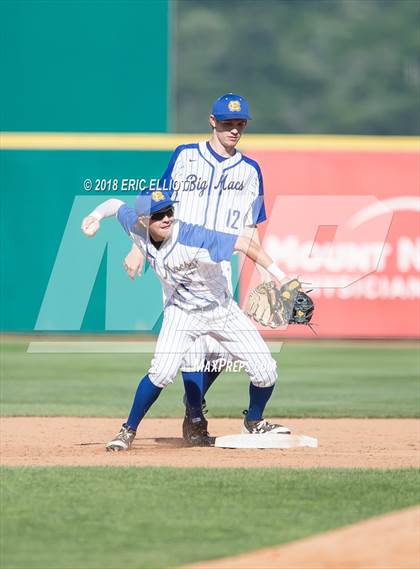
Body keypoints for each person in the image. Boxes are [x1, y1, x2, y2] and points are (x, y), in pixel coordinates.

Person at [123, 94, 286, 442]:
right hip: (180, 264)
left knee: (224, 351)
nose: (234, 129)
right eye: (228, 122)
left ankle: (197, 406)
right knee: (192, 344)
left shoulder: (250, 171)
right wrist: (137, 246)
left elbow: (249, 228)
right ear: (212, 121)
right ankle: (194, 417)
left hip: (220, 267)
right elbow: (157, 206)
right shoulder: (185, 156)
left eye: (240, 123)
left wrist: (259, 270)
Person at [81, 189, 290, 451]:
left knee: (266, 371)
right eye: (159, 215)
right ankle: (128, 430)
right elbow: (114, 204)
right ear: (144, 220)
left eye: (170, 211)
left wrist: (282, 278)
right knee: (162, 371)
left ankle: (253, 421)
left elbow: (245, 244)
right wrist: (94, 216)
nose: (167, 218)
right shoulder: (135, 227)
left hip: (221, 310)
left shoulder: (192, 236)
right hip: (181, 312)